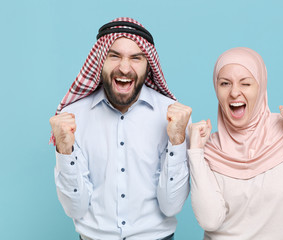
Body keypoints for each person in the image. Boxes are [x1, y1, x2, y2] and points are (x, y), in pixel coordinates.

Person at [49, 17, 192, 240]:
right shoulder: (73, 118)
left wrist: (177, 141)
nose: (124, 68)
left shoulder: (174, 117)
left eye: (136, 58)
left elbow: (171, 206)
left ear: (148, 65)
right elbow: (75, 209)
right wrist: (64, 151)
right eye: (114, 56)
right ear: (100, 60)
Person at [188, 47, 283, 240]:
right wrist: (195, 152)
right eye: (224, 83)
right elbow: (210, 221)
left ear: (261, 87)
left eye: (245, 84)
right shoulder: (209, 148)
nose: (234, 92)